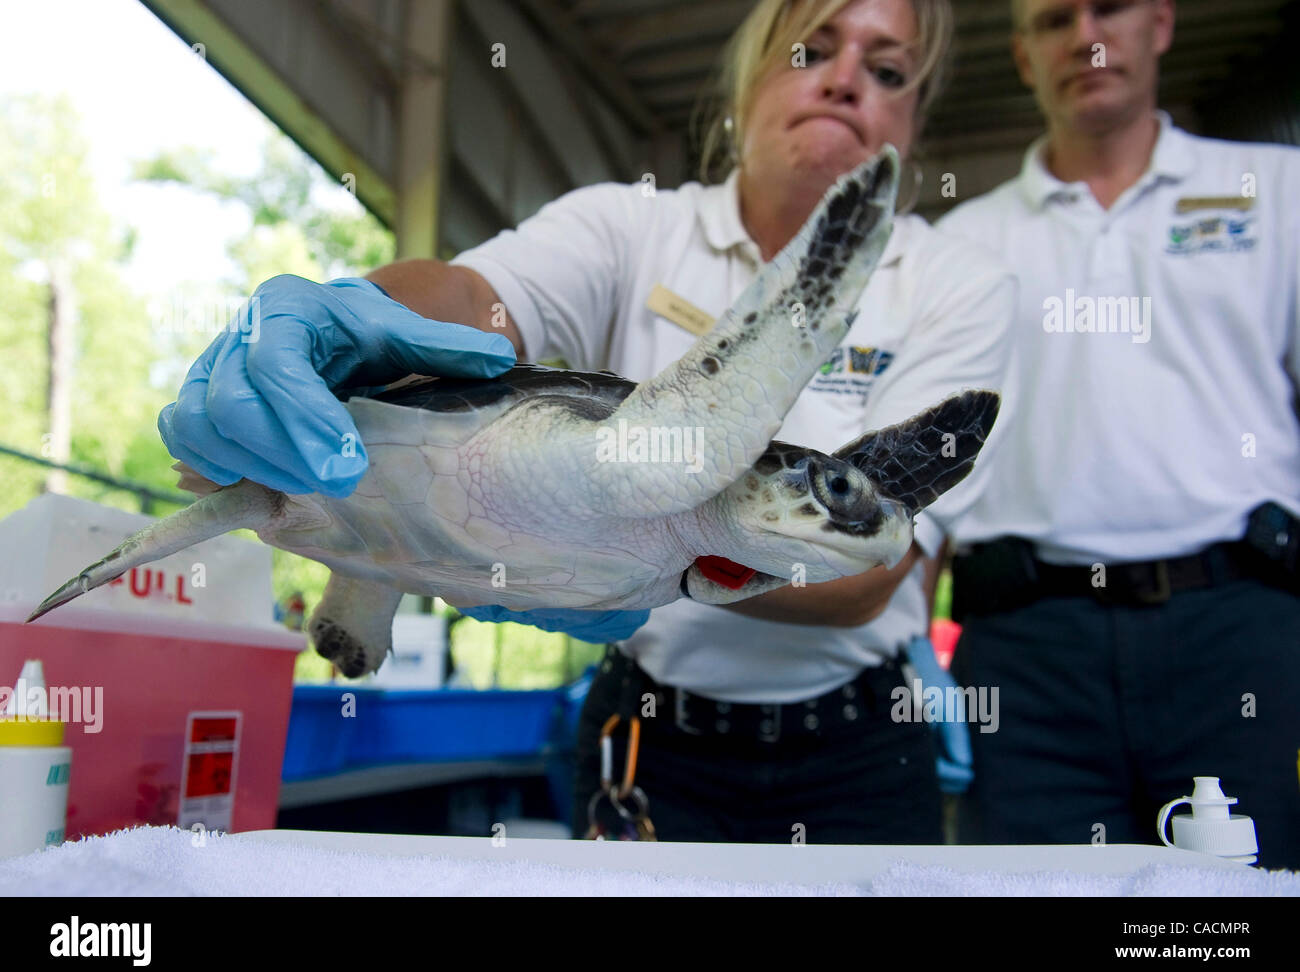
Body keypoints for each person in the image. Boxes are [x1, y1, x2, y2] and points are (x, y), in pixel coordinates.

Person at [160, 0, 1015, 844]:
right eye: (811, 51)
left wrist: (621, 542)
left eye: (888, 69)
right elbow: (467, 306)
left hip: (857, 755)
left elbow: (867, 569)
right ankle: (369, 566)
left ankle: (371, 568)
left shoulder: (955, 279)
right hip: (649, 734)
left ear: (915, 116)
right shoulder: (632, 226)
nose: (844, 83)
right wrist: (346, 316)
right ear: (750, 76)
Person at [936, 0, 1300, 868]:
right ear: (1024, 56)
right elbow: (925, 468)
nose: (1085, 38)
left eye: (1110, 8)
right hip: (1025, 653)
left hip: (1241, 630)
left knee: (1236, 921)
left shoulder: (1277, 191)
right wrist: (906, 650)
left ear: (1162, 24)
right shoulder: (960, 242)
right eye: (1054, 19)